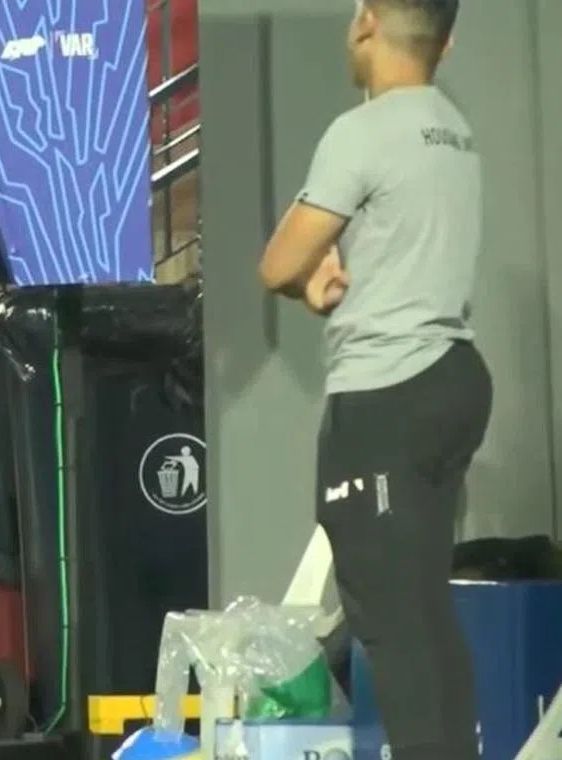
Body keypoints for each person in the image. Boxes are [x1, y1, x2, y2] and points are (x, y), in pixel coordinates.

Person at [257, 2, 489, 759]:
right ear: (446, 43)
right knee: (424, 613)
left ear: (365, 20)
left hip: (387, 394)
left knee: (391, 622)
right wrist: (327, 275)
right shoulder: (455, 131)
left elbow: (280, 263)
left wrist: (307, 281)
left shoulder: (361, 131)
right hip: (454, 379)